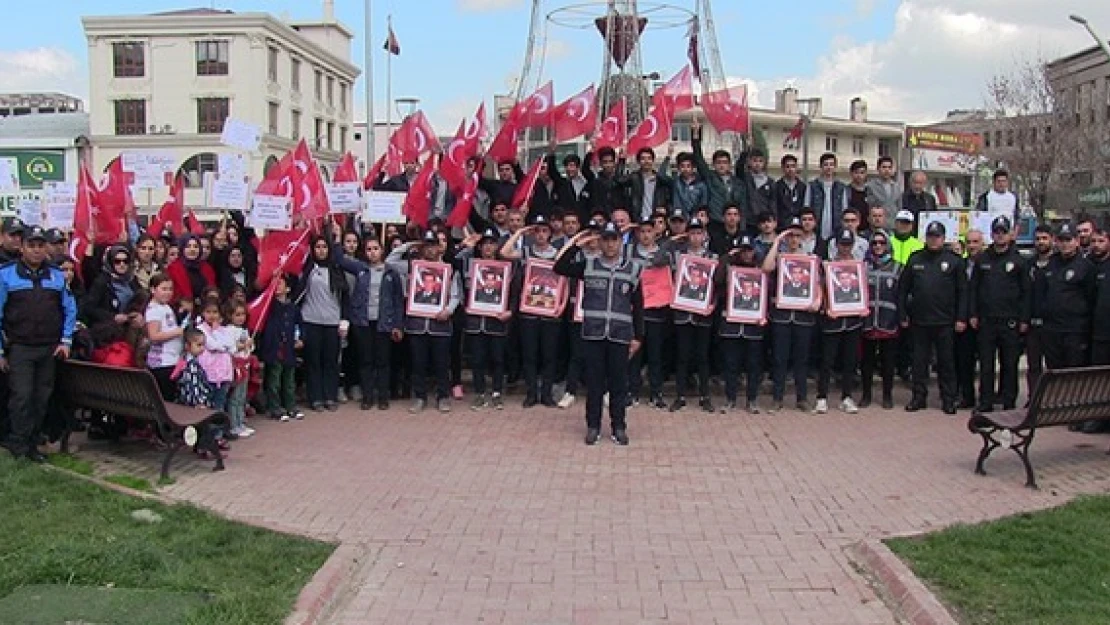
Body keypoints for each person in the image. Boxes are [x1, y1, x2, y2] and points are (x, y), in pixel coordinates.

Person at [554, 222, 644, 445]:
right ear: (600, 242)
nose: (610, 244)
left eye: (615, 239)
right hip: (593, 334)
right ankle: (593, 426)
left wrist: (638, 337)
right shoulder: (589, 265)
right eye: (606, 239)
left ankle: (618, 427)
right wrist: (578, 243)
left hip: (619, 335)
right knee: (594, 384)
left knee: (618, 385)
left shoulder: (632, 269)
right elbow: (560, 266)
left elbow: (639, 306)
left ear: (620, 243)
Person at [0, 225, 76, 462]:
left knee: (41, 398)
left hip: (49, 348)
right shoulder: (6, 274)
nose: (36, 250)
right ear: (22, 248)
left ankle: (33, 445)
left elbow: (69, 309)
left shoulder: (56, 275)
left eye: (40, 246)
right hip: (20, 348)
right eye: (31, 246)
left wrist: (65, 340)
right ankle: (19, 445)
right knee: (21, 397)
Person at [899, 221, 967, 414]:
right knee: (919, 363)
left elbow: (963, 292)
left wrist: (961, 318)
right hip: (920, 321)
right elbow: (903, 289)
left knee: (946, 363)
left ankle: (948, 399)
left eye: (937, 236)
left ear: (943, 238)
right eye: (930, 236)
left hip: (945, 321)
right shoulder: (915, 259)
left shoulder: (954, 261)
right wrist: (903, 314)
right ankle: (918, 397)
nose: (933, 240)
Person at [390, 230, 462, 413]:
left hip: (440, 325)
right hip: (417, 325)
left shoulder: (449, 269)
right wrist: (409, 244)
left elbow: (456, 295)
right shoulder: (413, 266)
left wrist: (448, 310)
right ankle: (420, 397)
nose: (430, 250)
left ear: (440, 248)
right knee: (418, 364)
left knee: (441, 364)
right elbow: (390, 261)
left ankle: (443, 396)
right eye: (426, 246)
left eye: (433, 246)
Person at [334, 234, 404, 411]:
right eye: (369, 249)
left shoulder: (391, 273)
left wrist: (397, 324)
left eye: (375, 249)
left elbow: (397, 301)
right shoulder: (360, 269)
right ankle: (368, 396)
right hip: (363, 322)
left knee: (383, 361)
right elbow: (339, 259)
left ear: (382, 250)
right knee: (366, 361)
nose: (372, 253)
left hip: (384, 322)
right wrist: (335, 237)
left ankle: (382, 396)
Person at [501, 214, 563, 407]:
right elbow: (504, 252)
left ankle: (546, 394)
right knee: (529, 354)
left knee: (549, 355)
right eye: (538, 231)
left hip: (550, 313)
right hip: (529, 311)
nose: (541, 235)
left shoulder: (557, 253)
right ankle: (531, 393)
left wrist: (561, 306)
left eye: (545, 231)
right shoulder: (526, 251)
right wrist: (519, 232)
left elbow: (565, 281)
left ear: (550, 234)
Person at [969, 217, 1028, 413]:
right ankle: (985, 401)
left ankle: (1008, 401)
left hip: (1010, 321)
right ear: (992, 234)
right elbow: (974, 290)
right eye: (997, 231)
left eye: (1003, 231)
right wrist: (973, 314)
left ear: (1010, 234)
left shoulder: (1019, 260)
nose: (1000, 235)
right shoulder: (982, 259)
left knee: (1009, 364)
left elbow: (1026, 293)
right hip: (986, 321)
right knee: (986, 365)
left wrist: (1024, 319)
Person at [762, 218, 822, 411]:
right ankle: (777, 398)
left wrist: (818, 301)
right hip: (782, 315)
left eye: (798, 235)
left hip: (804, 315)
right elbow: (766, 268)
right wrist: (777, 241)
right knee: (780, 358)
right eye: (791, 235)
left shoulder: (811, 258)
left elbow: (819, 283)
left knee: (801, 359)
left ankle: (802, 398)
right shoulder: (781, 257)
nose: (794, 239)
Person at [458, 229, 513, 410]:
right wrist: (465, 246)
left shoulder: (506, 268)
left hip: (496, 321)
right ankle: (480, 393)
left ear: (497, 246)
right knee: (477, 359)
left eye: (492, 243)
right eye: (485, 244)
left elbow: (514, 292)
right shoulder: (470, 265)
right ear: (480, 247)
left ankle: (497, 392)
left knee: (498, 359)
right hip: (475, 321)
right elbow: (453, 261)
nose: (488, 247)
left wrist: (510, 311)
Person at [669, 218, 718, 413]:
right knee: (682, 355)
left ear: (705, 235)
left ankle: (705, 396)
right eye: (692, 233)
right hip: (682, 312)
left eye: (699, 233)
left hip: (703, 313)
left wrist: (712, 305)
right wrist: (675, 239)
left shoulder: (712, 257)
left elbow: (718, 286)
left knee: (702, 356)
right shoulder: (678, 257)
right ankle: (680, 395)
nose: (695, 237)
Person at [296, 234, 348, 412]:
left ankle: (330, 396)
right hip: (311, 320)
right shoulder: (308, 268)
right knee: (313, 362)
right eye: (317, 247)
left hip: (332, 322)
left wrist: (344, 321)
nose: (321, 250)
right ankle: (315, 397)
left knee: (331, 361)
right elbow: (299, 292)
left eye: (324, 247)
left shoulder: (337, 269)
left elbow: (344, 297)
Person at [815, 229, 864, 415]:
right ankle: (821, 397)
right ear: (836, 245)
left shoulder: (859, 265)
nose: (845, 248)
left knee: (850, 360)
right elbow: (821, 288)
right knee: (827, 360)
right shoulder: (828, 265)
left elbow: (862, 291)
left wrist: (862, 307)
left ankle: (847, 396)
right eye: (842, 244)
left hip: (852, 319)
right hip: (832, 319)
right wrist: (827, 307)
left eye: (848, 244)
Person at [718, 235, 765, 413]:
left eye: (749, 250)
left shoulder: (760, 270)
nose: (746, 254)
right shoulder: (729, 268)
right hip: (732, 324)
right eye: (743, 250)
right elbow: (717, 280)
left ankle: (752, 400)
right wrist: (728, 256)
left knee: (753, 365)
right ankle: (730, 399)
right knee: (731, 364)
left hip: (753, 324)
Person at [1040, 222, 1096, 371]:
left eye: (1068, 240)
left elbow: (1091, 298)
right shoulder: (1050, 263)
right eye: (1061, 240)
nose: (1065, 244)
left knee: (1074, 373)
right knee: (1054, 372)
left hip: (1075, 330)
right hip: (1052, 330)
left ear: (1077, 241)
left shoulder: (1086, 266)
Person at [860, 230, 901, 409]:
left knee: (888, 362)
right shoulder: (861, 267)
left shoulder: (898, 267)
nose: (878, 246)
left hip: (889, 321)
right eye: (874, 243)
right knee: (866, 362)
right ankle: (866, 395)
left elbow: (903, 295)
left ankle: (887, 395)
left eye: (881, 243)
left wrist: (901, 317)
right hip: (867, 322)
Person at [258, 274, 304, 421]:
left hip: (289, 347)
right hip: (273, 347)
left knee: (289, 380)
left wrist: (300, 338)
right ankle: (275, 407)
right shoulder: (268, 306)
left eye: (280, 283)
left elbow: (299, 325)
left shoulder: (293, 308)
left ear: (288, 288)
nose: (277, 286)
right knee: (274, 380)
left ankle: (290, 406)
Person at [691, 121, 747, 225]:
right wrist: (695, 137)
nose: (722, 165)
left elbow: (742, 206)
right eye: (719, 163)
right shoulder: (710, 178)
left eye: (725, 162)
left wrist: (745, 142)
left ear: (730, 164)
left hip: (734, 225)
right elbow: (698, 158)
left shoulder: (738, 183)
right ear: (713, 165)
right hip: (715, 223)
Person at [81, 243, 143, 334]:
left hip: (130, 327)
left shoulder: (132, 280)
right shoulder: (102, 282)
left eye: (125, 261)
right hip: (108, 330)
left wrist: (138, 314)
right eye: (117, 261)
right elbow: (89, 308)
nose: (122, 264)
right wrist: (113, 317)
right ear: (110, 262)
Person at [954, 229, 985, 410]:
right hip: (963, 320)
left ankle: (988, 397)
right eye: (969, 242)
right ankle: (967, 396)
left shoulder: (989, 263)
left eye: (975, 242)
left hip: (985, 320)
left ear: (982, 243)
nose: (972, 246)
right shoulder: (960, 264)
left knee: (987, 363)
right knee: (964, 361)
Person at [1025, 225, 1054, 397]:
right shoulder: (1028, 264)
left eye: (1044, 238)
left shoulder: (1058, 263)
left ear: (1052, 239)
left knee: (1053, 366)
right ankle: (1034, 399)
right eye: (1037, 239)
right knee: (1033, 366)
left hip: (1053, 324)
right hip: (1032, 324)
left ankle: (1051, 401)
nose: (1041, 242)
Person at [166, 234, 216, 314]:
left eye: (195, 246)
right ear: (182, 248)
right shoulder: (173, 268)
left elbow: (212, 290)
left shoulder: (207, 268)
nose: (192, 249)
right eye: (188, 246)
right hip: (182, 312)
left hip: (206, 312)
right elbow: (171, 294)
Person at [804, 153, 848, 241]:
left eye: (831, 164)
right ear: (821, 167)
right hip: (816, 230)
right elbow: (806, 208)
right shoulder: (812, 186)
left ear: (835, 167)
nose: (829, 167)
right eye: (825, 164)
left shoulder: (841, 187)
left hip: (836, 230)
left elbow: (844, 210)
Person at [658, 150, 706, 219]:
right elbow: (660, 175)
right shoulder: (675, 182)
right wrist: (668, 157)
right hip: (678, 219)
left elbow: (703, 204)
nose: (685, 169)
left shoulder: (701, 185)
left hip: (695, 221)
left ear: (693, 168)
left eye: (688, 166)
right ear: (678, 168)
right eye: (682, 166)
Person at [865, 156, 900, 223]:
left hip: (893, 224)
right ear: (878, 169)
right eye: (884, 167)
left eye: (889, 167)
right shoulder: (870, 186)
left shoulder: (897, 187)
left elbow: (899, 206)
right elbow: (869, 206)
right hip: (877, 224)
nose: (887, 170)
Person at [773, 155, 806, 227]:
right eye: (787, 166)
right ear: (783, 168)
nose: (791, 169)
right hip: (781, 225)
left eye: (793, 166)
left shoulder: (803, 187)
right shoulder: (776, 186)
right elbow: (774, 207)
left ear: (796, 167)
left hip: (799, 226)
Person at [744, 148, 775, 220]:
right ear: (749, 162)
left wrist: (774, 219)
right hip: (748, 220)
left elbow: (773, 203)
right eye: (754, 161)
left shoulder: (770, 182)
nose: (757, 164)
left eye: (760, 161)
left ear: (764, 163)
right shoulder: (745, 179)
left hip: (764, 220)